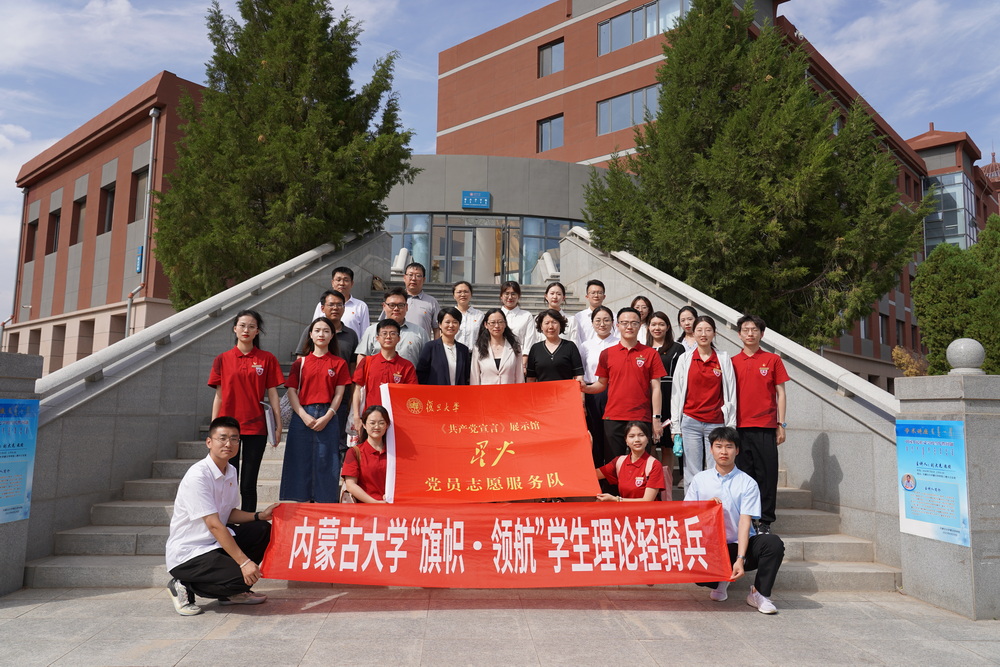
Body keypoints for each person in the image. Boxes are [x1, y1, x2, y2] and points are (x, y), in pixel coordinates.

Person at [166, 416, 278, 616]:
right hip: (190, 552)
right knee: (242, 577)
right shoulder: (198, 476)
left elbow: (229, 513)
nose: (229, 444)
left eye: (234, 439)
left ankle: (231, 594)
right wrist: (244, 562)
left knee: (261, 529)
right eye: (223, 438)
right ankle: (183, 584)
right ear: (209, 442)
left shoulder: (231, 471)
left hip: (214, 545)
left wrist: (260, 515)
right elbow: (214, 524)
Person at [685, 427, 785, 614]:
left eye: (729, 446)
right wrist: (706, 507)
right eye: (718, 446)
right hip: (711, 546)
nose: (724, 451)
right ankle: (721, 580)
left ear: (737, 450)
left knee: (773, 544)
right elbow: (687, 514)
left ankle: (759, 593)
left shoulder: (747, 482)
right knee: (699, 575)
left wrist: (740, 559)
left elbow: (745, 522)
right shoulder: (700, 480)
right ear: (711, 449)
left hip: (740, 546)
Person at [207, 309, 283, 512]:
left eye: (251, 326)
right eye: (242, 325)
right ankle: (225, 521)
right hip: (228, 429)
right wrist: (214, 429)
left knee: (248, 483)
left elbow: (273, 394)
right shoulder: (222, 359)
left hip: (256, 427)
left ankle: (249, 523)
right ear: (235, 329)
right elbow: (219, 396)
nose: (246, 330)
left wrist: (278, 425)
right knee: (227, 480)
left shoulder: (267, 359)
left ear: (257, 331)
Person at [580, 307, 666, 466]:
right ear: (617, 325)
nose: (629, 327)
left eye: (634, 323)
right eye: (625, 323)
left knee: (642, 464)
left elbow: (656, 388)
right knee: (614, 464)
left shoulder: (650, 353)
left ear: (640, 325)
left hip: (641, 416)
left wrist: (656, 418)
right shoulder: (607, 354)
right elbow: (601, 384)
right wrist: (584, 388)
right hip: (613, 416)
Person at [281, 317, 352, 503]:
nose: (322, 334)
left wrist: (328, 416)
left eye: (326, 331)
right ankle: (300, 501)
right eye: (317, 330)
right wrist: (303, 415)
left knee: (327, 459)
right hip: (302, 414)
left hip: (328, 415)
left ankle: (324, 502)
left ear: (332, 335)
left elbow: (339, 394)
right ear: (311, 335)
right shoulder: (300, 363)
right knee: (299, 458)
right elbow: (292, 391)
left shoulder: (339, 363)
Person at [731, 314, 789, 534]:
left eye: (754, 329)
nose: (750, 333)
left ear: (762, 334)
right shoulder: (732, 362)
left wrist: (781, 423)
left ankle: (765, 521)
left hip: (766, 426)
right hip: (739, 427)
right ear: (739, 334)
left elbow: (781, 393)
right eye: (745, 330)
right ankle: (746, 520)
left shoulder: (773, 360)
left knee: (767, 475)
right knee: (743, 476)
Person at [670, 315, 736, 491]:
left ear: (714, 333)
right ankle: (692, 504)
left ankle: (715, 503)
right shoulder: (685, 358)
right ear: (693, 333)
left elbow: (731, 392)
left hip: (716, 422)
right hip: (690, 421)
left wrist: (731, 424)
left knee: (717, 467)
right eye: (699, 330)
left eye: (708, 330)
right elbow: (676, 394)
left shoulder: (723, 358)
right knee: (692, 471)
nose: (703, 334)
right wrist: (675, 427)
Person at [352, 318, 417, 432]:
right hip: (370, 419)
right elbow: (357, 390)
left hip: (396, 421)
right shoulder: (367, 362)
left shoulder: (407, 366)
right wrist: (357, 416)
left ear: (399, 338)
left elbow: (411, 394)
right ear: (377, 338)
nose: (388, 337)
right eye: (384, 333)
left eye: (393, 333)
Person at [649, 311, 686, 488]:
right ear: (648, 327)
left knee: (666, 445)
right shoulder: (643, 347)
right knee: (648, 443)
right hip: (648, 395)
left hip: (670, 394)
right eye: (653, 324)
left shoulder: (677, 348)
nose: (657, 328)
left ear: (668, 327)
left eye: (661, 324)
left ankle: (666, 484)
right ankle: (653, 480)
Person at [579, 306, 618, 467]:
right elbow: (580, 373)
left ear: (613, 322)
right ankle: (596, 472)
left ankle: (612, 472)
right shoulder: (585, 346)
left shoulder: (619, 343)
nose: (602, 324)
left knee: (611, 434)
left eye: (606, 320)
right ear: (592, 323)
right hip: (592, 393)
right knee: (594, 433)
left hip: (614, 393)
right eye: (598, 320)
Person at [595, 421, 665, 502]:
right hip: (625, 509)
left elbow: (647, 500)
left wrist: (616, 500)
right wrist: (588, 446)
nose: (637, 440)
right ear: (626, 441)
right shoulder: (619, 461)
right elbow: (593, 475)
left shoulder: (654, 464)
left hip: (646, 510)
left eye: (641, 435)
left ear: (647, 439)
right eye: (632, 436)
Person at [357, 287, 428, 366]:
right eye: (392, 305)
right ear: (384, 306)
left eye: (400, 305)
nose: (396, 309)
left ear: (406, 307)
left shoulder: (419, 332)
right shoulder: (371, 331)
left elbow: (426, 361)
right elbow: (362, 356)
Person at [341, 405, 391, 503]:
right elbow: (350, 485)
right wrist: (374, 502)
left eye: (381, 423)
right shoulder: (354, 452)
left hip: (392, 507)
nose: (377, 427)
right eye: (372, 423)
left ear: (387, 425)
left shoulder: (394, 452)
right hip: (364, 508)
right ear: (364, 425)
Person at [310, 266, 370, 339]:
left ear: (352, 283)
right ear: (332, 282)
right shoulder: (322, 305)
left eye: (346, 280)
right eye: (338, 280)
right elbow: (315, 329)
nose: (342, 283)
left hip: (351, 345)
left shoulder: (361, 306)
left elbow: (365, 333)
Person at [416, 307, 472, 385]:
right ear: (440, 324)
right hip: (435, 392)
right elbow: (421, 374)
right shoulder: (430, 347)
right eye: (447, 322)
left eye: (455, 322)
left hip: (457, 392)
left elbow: (466, 376)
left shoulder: (463, 350)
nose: (451, 325)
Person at [526, 309, 583, 384]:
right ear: (541, 326)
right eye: (547, 323)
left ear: (560, 325)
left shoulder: (570, 346)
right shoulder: (535, 348)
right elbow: (531, 378)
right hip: (543, 391)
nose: (551, 326)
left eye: (554, 322)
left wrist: (580, 391)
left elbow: (578, 376)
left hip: (565, 390)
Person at [471, 308, 524, 385]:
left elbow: (519, 376)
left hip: (509, 391)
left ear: (505, 324)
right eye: (492, 323)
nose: (496, 326)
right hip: (486, 392)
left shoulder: (515, 347)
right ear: (486, 325)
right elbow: (474, 378)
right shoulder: (478, 348)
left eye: (500, 322)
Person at [401, 262, 440, 338]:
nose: (413, 279)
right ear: (404, 278)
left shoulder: (431, 302)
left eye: (418, 276)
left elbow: (437, 328)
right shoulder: (394, 300)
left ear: (424, 279)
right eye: (410, 275)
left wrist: (436, 345)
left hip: (423, 344)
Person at [498, 280, 534, 360]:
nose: (510, 297)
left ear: (519, 296)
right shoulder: (495, 315)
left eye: (513, 294)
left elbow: (530, 339)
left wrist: (525, 358)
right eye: (507, 293)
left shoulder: (527, 316)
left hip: (519, 357)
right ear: (501, 296)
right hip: (498, 356)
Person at [574, 279, 615, 346]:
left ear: (604, 296)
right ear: (587, 296)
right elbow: (577, 339)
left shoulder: (613, 316)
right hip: (586, 351)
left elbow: (617, 335)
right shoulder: (579, 317)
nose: (596, 295)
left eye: (599, 293)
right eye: (593, 293)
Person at [452, 281, 483, 349]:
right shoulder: (449, 315)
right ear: (454, 295)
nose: (463, 294)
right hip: (453, 352)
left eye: (466, 292)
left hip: (474, 353)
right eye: (459, 292)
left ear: (471, 294)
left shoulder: (479, 315)